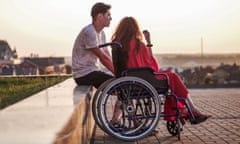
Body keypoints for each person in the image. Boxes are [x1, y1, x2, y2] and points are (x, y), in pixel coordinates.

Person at [110, 16, 211, 124]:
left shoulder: (118, 46)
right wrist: (148, 42)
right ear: (135, 29)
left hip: (129, 81)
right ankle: (192, 109)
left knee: (170, 76)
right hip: (145, 80)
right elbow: (152, 65)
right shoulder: (140, 45)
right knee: (172, 76)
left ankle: (189, 110)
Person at [72, 2, 114, 88]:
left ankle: (120, 100)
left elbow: (107, 55)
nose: (111, 18)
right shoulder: (90, 32)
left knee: (117, 83)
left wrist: (117, 71)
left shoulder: (101, 33)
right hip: (83, 75)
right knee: (117, 83)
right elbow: (103, 58)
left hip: (92, 71)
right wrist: (118, 73)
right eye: (108, 15)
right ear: (100, 16)